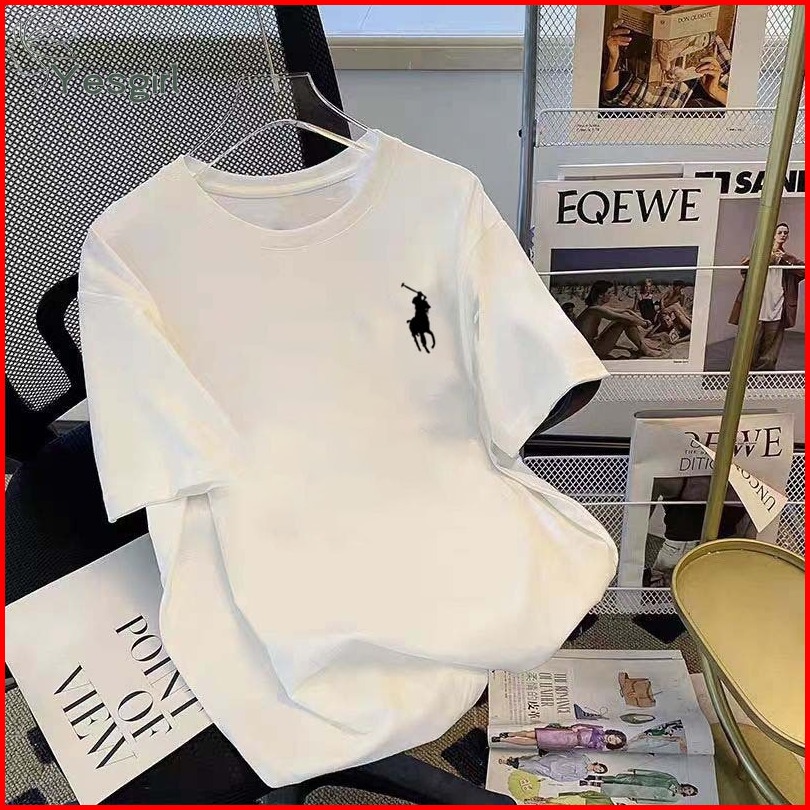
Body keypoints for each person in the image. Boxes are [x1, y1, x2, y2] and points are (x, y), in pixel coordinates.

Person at [601, 9, 731, 108]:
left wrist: (715, 90)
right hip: (621, 113)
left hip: (665, 124)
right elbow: (608, 95)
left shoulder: (709, 41)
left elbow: (738, 102)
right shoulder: (628, 26)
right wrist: (614, 58)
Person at [729, 222, 805, 371]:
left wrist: (785, 257)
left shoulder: (787, 259)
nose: (783, 235)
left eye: (785, 233)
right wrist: (765, 257)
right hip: (757, 306)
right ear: (773, 235)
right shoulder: (760, 253)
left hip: (778, 306)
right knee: (751, 342)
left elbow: (803, 271)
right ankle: (746, 373)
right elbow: (744, 269)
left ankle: (764, 374)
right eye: (780, 232)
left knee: (771, 346)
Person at [574, 280, 663, 360]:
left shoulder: (595, 308)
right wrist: (644, 323)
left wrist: (642, 320)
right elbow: (623, 318)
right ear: (601, 295)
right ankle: (646, 350)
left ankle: (644, 346)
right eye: (609, 293)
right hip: (591, 351)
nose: (611, 295)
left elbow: (626, 311)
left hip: (592, 345)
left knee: (624, 318)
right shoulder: (595, 310)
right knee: (623, 321)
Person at [582, 769, 698, 803]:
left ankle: (589, 784)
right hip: (641, 780)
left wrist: (638, 800)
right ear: (687, 785)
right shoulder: (672, 779)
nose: (687, 789)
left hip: (640, 792)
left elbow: (656, 803)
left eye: (688, 791)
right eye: (689, 788)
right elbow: (655, 774)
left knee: (615, 788)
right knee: (617, 779)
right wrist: (637, 771)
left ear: (687, 794)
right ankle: (593, 777)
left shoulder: (674, 799)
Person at [493, 724, 627, 752]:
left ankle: (503, 740)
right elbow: (584, 725)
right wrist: (576, 727)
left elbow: (583, 748)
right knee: (531, 733)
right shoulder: (599, 729)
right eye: (615, 737)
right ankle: (510, 734)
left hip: (568, 743)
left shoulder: (599, 747)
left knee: (532, 743)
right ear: (614, 733)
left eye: (616, 742)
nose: (613, 740)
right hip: (566, 733)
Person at [499, 752, 608, 782]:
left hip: (551, 771)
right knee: (532, 759)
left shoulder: (582, 775)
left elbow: (566, 779)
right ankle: (512, 760)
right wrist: (553, 753)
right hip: (553, 759)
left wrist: (553, 775)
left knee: (531, 767)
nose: (597, 769)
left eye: (599, 771)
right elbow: (569, 753)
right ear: (598, 764)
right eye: (600, 768)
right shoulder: (584, 758)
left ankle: (508, 762)